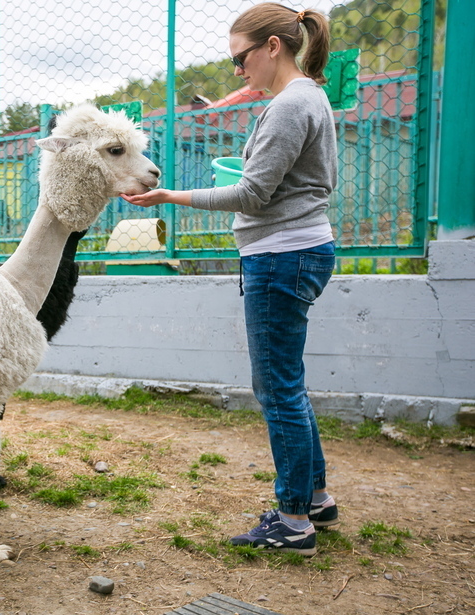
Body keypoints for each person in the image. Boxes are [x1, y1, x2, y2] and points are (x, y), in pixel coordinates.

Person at [122, 2, 339, 556]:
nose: (238, 70)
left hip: (281, 255)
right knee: (289, 382)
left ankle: (293, 521)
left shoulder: (290, 105)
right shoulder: (309, 96)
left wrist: (170, 196)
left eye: (240, 58)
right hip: (300, 249)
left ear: (273, 47)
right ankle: (314, 497)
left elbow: (252, 194)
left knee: (277, 389)